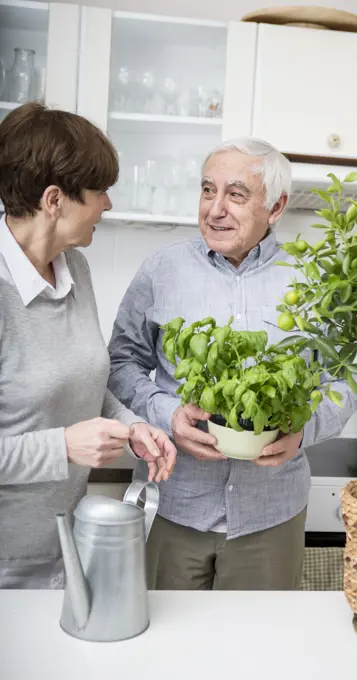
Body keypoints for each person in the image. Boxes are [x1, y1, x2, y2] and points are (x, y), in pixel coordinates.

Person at [108, 138, 357, 590]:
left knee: (257, 653)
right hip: (174, 505)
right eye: (208, 191)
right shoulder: (161, 270)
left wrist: (305, 430)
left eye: (236, 195)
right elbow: (121, 363)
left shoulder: (314, 278)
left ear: (277, 207)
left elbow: (345, 379)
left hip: (271, 514)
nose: (215, 209)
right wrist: (167, 415)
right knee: (164, 650)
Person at [0, 103, 177, 589]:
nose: (107, 204)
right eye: (100, 191)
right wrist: (63, 446)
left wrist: (132, 425)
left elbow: (86, 382)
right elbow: (61, 440)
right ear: (54, 200)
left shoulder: (74, 269)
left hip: (63, 542)